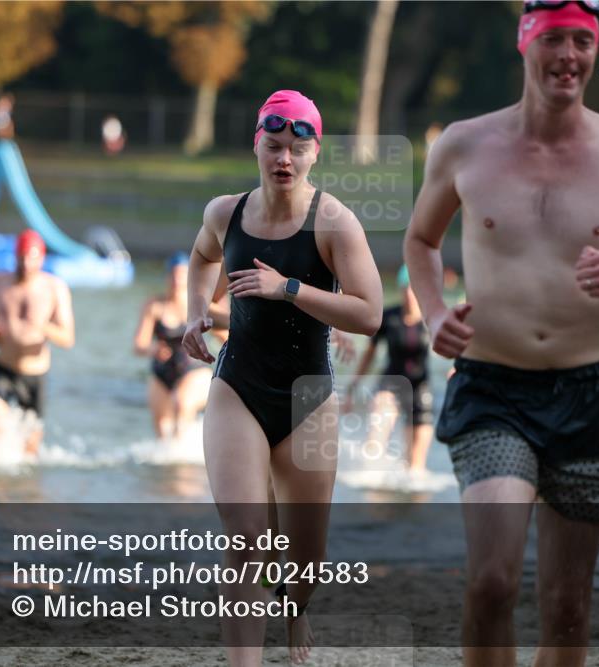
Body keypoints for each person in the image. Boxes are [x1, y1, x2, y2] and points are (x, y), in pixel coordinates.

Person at [402, 2, 599, 665]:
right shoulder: (465, 144)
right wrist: (436, 312)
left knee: (566, 604)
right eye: (556, 39)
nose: (570, 57)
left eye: (583, 42)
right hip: (492, 389)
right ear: (525, 41)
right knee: (493, 581)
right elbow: (421, 240)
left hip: (592, 392)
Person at [183, 90, 382, 666]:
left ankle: (294, 611)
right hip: (237, 385)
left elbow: (369, 314)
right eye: (274, 146)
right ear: (257, 145)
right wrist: (198, 309)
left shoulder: (335, 223)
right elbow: (201, 258)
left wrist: (287, 288)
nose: (284, 159)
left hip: (308, 397)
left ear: (315, 152)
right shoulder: (226, 212)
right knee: (245, 541)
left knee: (305, 561)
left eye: (297, 148)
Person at [0, 230, 75, 457]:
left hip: (34, 373)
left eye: (32, 258)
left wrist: (43, 326)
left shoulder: (54, 288)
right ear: (15, 256)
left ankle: (23, 488)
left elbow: (68, 337)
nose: (26, 264)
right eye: (22, 257)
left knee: (30, 449)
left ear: (42, 258)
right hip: (2, 366)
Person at [346, 265, 433, 472]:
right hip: (391, 383)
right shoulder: (389, 317)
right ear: (402, 289)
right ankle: (370, 475)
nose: (411, 294)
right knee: (377, 434)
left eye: (415, 289)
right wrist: (354, 384)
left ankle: (412, 498)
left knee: (415, 466)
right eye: (407, 288)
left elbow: (451, 345)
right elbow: (370, 354)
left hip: (420, 387)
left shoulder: (431, 319)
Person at [133, 252, 216, 440]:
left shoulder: (201, 304)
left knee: (183, 403)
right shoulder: (155, 306)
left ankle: (187, 455)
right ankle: (169, 463)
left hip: (194, 369)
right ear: (167, 276)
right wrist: (153, 350)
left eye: (182, 275)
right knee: (163, 429)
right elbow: (139, 344)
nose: (177, 280)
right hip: (162, 372)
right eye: (173, 274)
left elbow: (224, 332)